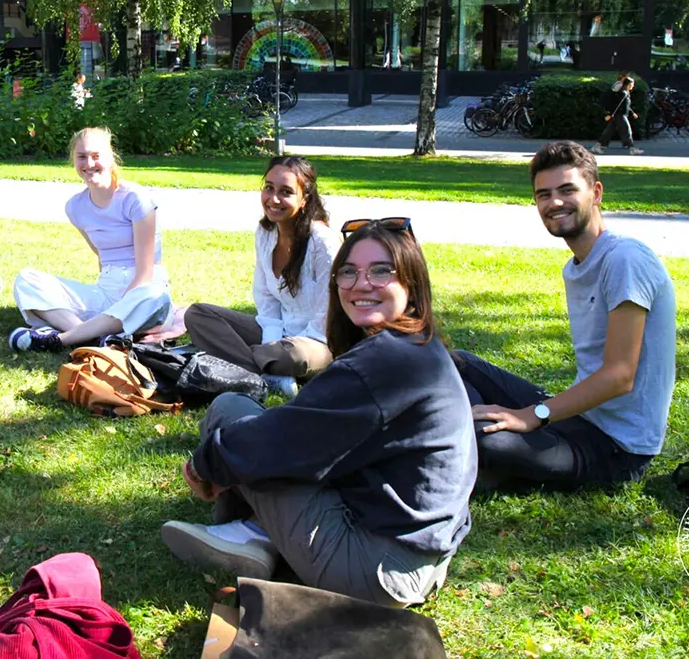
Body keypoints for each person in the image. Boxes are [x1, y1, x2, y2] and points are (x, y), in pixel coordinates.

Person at [161, 219, 476, 607]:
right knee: (246, 418)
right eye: (349, 271)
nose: (362, 283)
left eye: (381, 270)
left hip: (377, 569)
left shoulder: (386, 361)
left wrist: (205, 466)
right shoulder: (415, 347)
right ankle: (257, 532)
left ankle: (244, 533)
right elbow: (310, 431)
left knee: (229, 415)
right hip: (417, 554)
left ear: (411, 286)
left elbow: (280, 438)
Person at [461, 141, 676, 491]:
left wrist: (533, 416)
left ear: (596, 192)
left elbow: (620, 376)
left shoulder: (625, 259)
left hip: (617, 447)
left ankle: (473, 452)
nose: (554, 203)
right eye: (543, 194)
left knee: (486, 439)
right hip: (579, 417)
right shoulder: (576, 266)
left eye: (567, 190)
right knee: (459, 363)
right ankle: (470, 445)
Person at [184, 156, 341, 396]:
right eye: (269, 188)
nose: (273, 199)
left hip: (317, 341)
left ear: (304, 198)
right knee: (198, 315)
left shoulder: (322, 241)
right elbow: (266, 299)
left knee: (291, 355)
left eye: (286, 192)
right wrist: (270, 343)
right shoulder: (266, 233)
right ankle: (262, 374)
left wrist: (278, 348)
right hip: (279, 333)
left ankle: (247, 365)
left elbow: (327, 313)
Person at [9, 127, 172, 352]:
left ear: (111, 158)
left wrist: (122, 306)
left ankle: (63, 339)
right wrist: (109, 307)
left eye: (97, 156)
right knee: (27, 279)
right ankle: (94, 338)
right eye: (82, 156)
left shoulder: (136, 199)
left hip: (142, 289)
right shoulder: (75, 207)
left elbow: (146, 272)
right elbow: (101, 255)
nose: (89, 163)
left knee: (154, 297)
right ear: (73, 161)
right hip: (106, 289)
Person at [594, 76, 643, 156]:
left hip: (618, 115)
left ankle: (597, 147)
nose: (633, 86)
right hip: (620, 115)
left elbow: (625, 106)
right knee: (627, 131)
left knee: (608, 132)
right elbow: (617, 105)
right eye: (632, 84)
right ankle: (632, 149)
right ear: (628, 84)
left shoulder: (624, 92)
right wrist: (610, 114)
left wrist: (632, 113)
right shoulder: (623, 93)